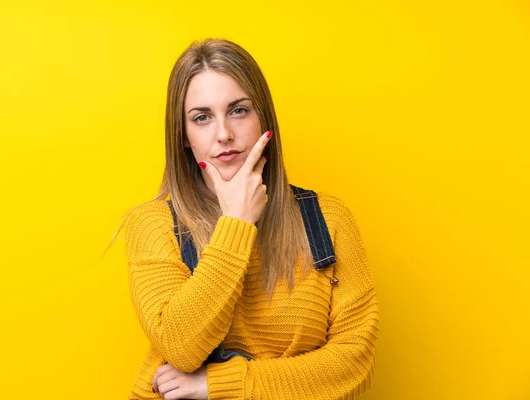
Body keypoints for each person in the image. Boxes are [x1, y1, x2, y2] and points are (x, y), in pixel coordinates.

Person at [110, 38, 380, 399]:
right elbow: (180, 347)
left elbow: (354, 365)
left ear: (264, 118)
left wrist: (218, 385)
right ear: (184, 137)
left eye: (238, 110)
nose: (224, 134)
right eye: (202, 118)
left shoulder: (327, 220)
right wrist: (236, 223)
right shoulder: (153, 225)